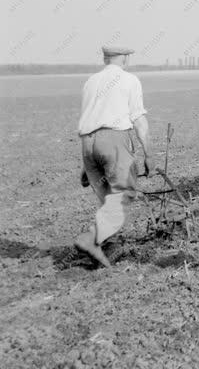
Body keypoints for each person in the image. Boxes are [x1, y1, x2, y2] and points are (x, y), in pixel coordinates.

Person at [75, 46, 154, 267]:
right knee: (122, 195)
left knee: (106, 200)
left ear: (104, 58)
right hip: (113, 141)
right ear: (125, 58)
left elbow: (89, 118)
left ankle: (103, 246)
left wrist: (86, 163)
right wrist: (148, 153)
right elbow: (138, 119)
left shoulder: (91, 81)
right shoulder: (129, 80)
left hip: (88, 144)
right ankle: (90, 238)